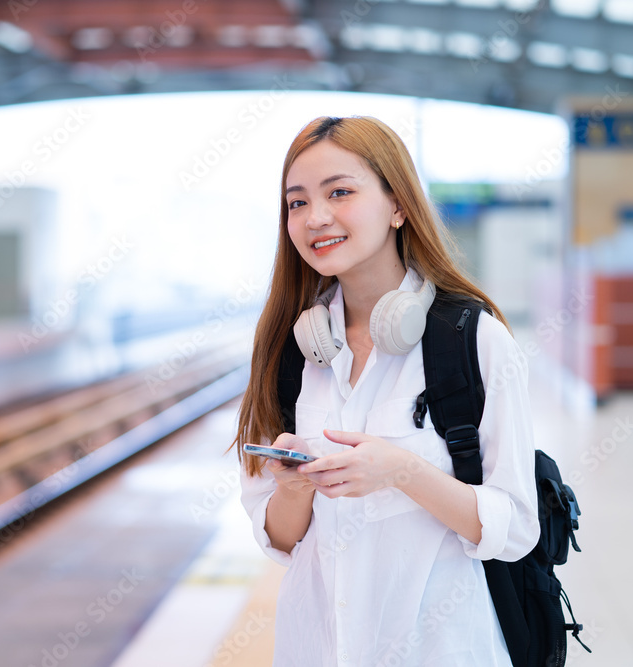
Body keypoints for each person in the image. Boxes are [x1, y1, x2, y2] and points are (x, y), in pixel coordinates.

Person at [233, 115, 539, 666]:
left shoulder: (475, 341)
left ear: (398, 206)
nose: (315, 217)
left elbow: (516, 526)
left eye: (340, 192)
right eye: (296, 202)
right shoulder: (291, 351)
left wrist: (402, 471)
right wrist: (294, 488)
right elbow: (278, 540)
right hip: (318, 649)